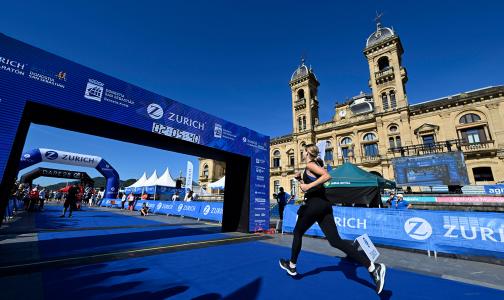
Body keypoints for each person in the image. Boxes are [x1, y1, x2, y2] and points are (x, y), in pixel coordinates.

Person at [278, 144, 386, 294]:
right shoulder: (311, 166)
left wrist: (308, 186)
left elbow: (326, 176)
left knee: (298, 232)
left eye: (303, 151)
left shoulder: (310, 164)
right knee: (335, 241)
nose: (302, 153)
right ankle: (373, 267)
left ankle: (292, 266)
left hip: (314, 204)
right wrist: (300, 180)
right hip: (324, 205)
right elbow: (314, 183)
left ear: (308, 152)